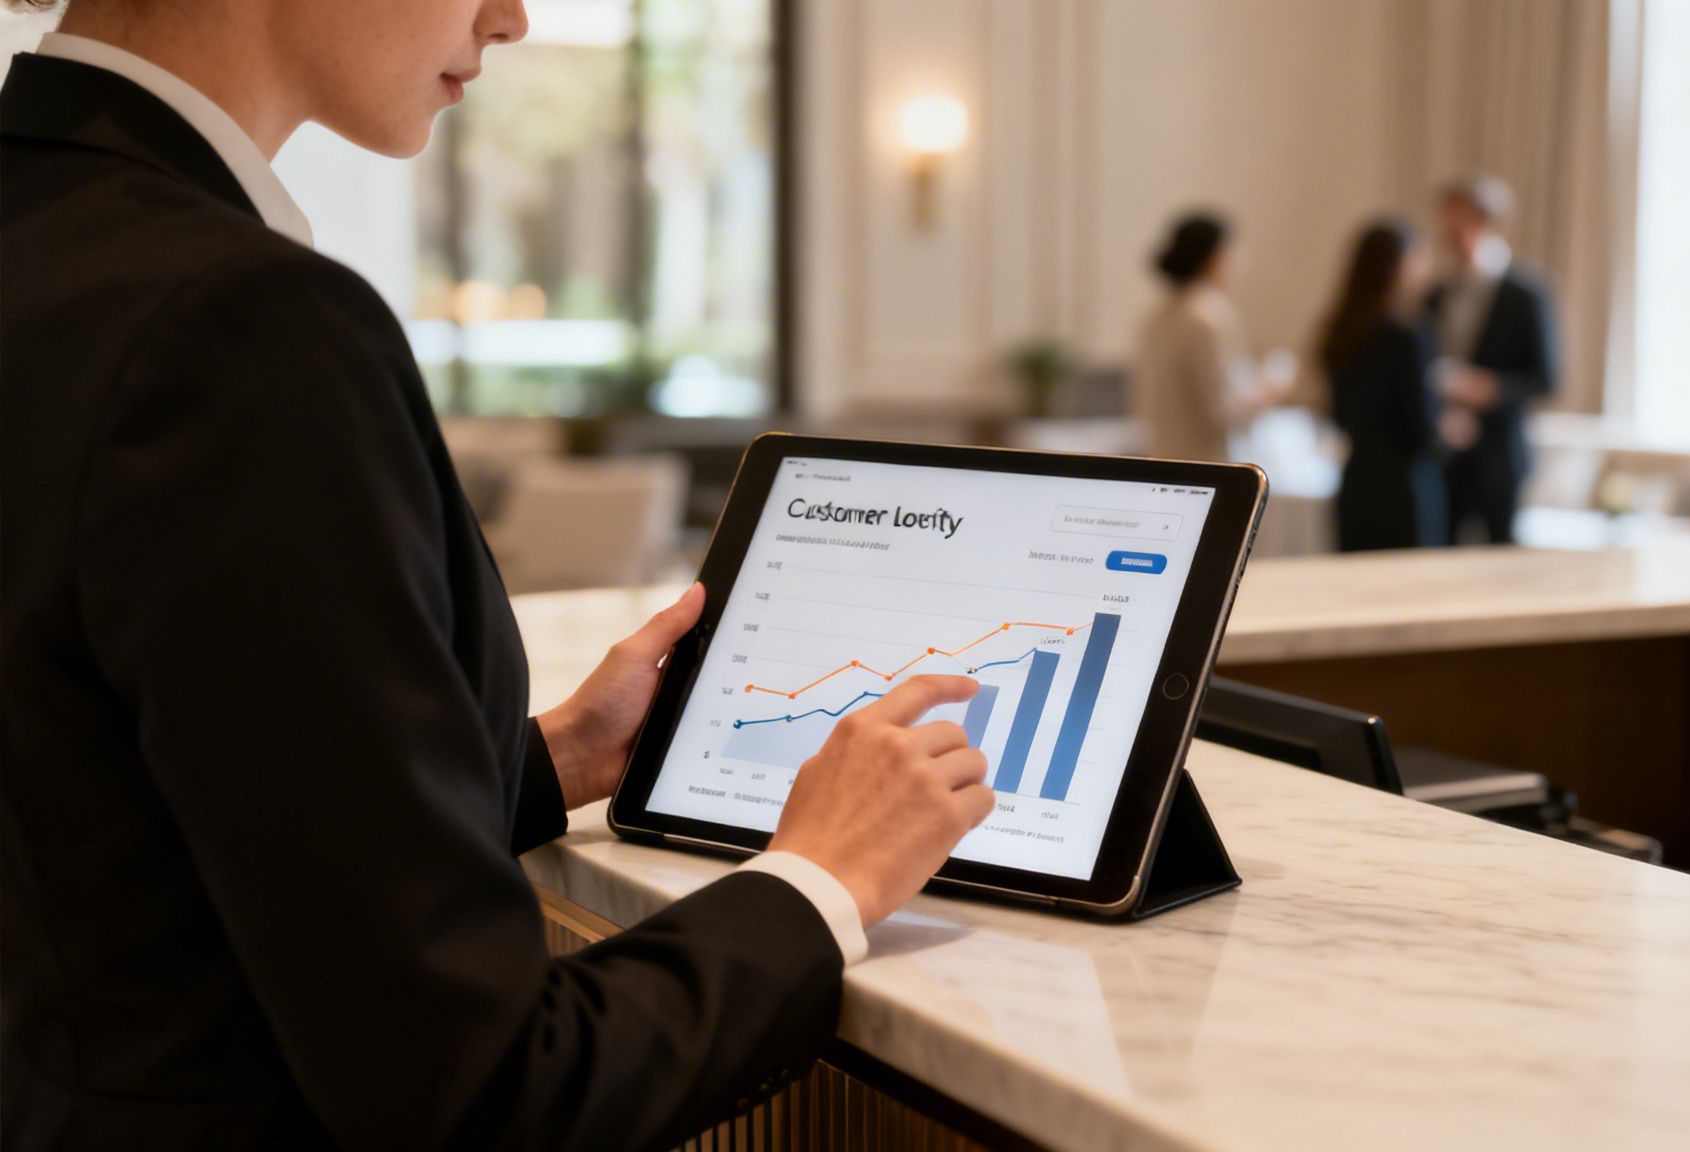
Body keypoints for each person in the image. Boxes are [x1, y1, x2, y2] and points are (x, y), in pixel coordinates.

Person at [0, 1, 994, 1148]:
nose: (511, 18)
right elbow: (483, 1096)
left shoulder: (52, 235)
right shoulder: (235, 322)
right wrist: (819, 880)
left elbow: (114, 806)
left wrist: (553, 757)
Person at [1424, 176, 1558, 545]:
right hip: (1446, 455)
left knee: (1500, 562)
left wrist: (1488, 388)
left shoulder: (1526, 292)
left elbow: (1546, 378)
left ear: (1485, 220)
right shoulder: (1437, 293)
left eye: (1459, 217)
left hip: (1499, 455)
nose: (1449, 228)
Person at [1318, 219, 1447, 550]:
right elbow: (1420, 427)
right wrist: (1448, 429)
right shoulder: (1407, 334)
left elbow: (1339, 416)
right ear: (1400, 265)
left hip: (1357, 481)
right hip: (1403, 485)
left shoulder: (1340, 329)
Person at [1132, 210, 1288, 461]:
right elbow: (1224, 411)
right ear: (1216, 256)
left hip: (1164, 454)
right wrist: (1271, 388)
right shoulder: (1208, 316)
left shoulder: (1158, 317)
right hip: (1205, 463)